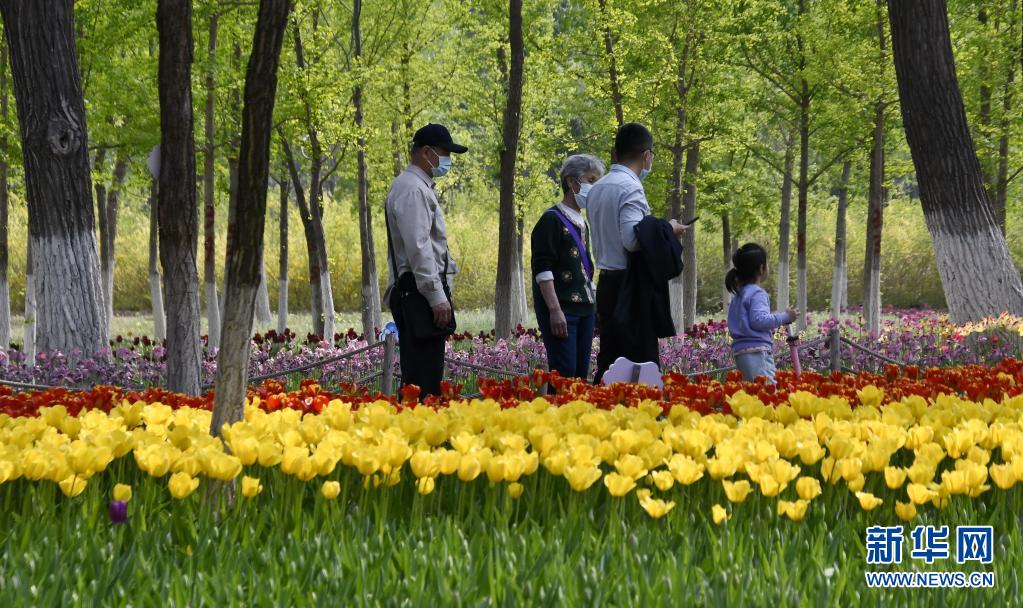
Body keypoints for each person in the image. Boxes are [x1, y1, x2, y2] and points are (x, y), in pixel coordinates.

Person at [587, 123, 689, 383]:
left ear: (615, 153)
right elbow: (632, 240)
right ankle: (640, 420)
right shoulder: (630, 187)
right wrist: (668, 228)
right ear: (646, 156)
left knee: (610, 363)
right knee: (639, 366)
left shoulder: (597, 188)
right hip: (630, 288)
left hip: (607, 282)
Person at [384, 123, 467, 397]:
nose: (448, 161)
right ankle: (414, 434)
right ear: (426, 153)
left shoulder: (417, 186)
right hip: (418, 292)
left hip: (417, 289)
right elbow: (419, 248)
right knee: (422, 382)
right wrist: (436, 296)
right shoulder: (413, 190)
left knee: (423, 377)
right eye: (445, 153)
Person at [530, 154, 604, 381]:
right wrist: (554, 310)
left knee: (580, 377)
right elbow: (543, 270)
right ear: (572, 182)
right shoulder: (551, 220)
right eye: (590, 180)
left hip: (585, 309)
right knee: (564, 375)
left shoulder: (583, 221)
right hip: (562, 309)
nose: (594, 186)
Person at [725, 243, 797, 384]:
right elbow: (759, 320)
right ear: (761, 268)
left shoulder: (738, 295)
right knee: (767, 393)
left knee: (753, 395)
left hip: (741, 352)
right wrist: (786, 317)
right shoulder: (757, 293)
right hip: (757, 352)